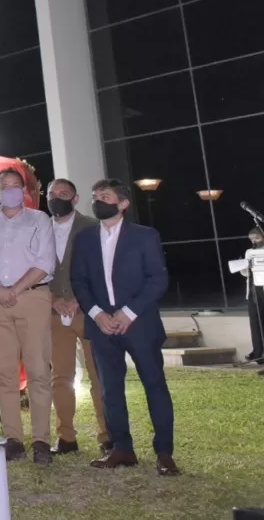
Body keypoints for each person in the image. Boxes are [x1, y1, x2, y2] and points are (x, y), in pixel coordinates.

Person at [71, 178, 177, 475]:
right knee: (109, 389)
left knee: (154, 385)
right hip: (101, 327)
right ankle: (122, 448)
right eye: (95, 196)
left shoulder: (144, 236)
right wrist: (96, 313)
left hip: (139, 324)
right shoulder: (85, 238)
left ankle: (165, 453)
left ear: (123, 203)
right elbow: (78, 281)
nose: (98, 201)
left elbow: (158, 279)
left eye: (104, 196)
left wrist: (128, 312)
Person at [0, 168, 56, 464]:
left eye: (15, 186)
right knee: (4, 373)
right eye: (4, 186)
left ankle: (42, 440)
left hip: (32, 297)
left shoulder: (39, 219)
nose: (10, 190)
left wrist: (14, 289)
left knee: (38, 371)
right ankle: (13, 438)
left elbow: (44, 262)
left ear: (24, 190)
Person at [46, 178, 109, 456]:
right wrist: (54, 299)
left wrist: (77, 299)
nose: (57, 198)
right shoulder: (38, 228)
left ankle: (108, 436)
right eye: (52, 194)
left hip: (88, 312)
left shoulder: (91, 227)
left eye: (63, 194)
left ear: (75, 198)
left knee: (99, 376)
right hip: (53, 313)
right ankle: (66, 438)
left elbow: (101, 270)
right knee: (60, 377)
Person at [242, 228, 264, 364]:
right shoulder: (249, 252)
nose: (254, 241)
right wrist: (244, 266)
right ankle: (257, 352)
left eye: (257, 238)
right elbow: (245, 273)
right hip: (253, 289)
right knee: (255, 322)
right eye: (252, 239)